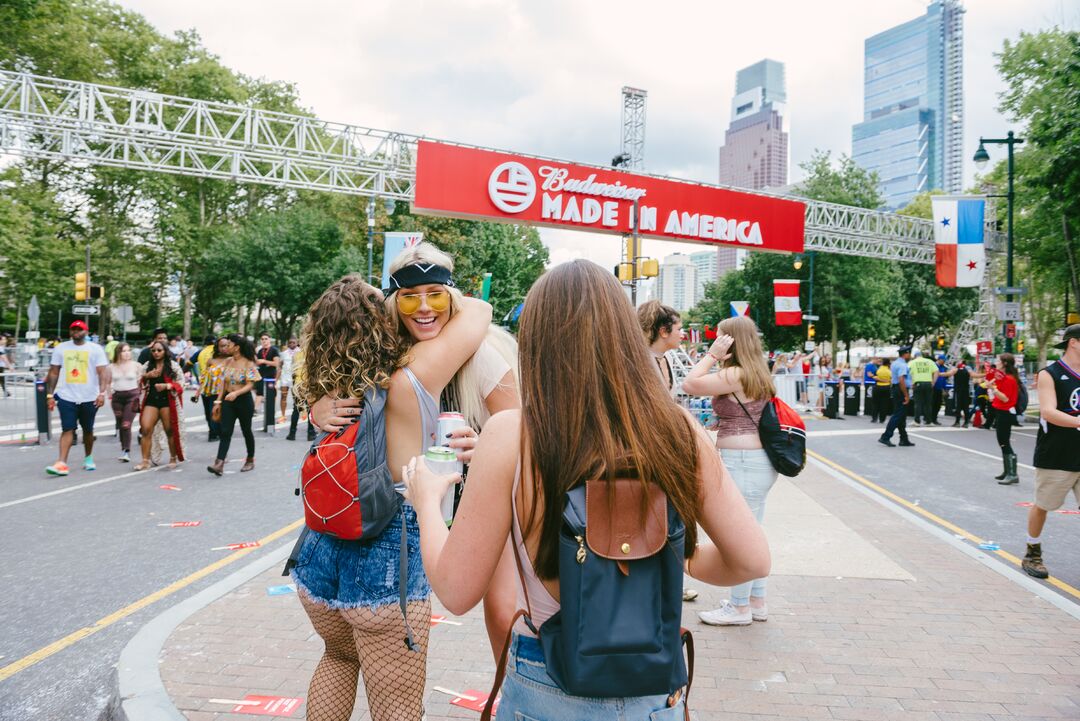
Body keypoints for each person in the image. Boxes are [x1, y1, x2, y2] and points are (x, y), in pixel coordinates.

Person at [404, 260, 769, 720]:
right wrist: (659, 549)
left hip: (545, 685)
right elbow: (751, 561)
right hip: (653, 689)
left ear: (536, 342)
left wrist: (426, 504)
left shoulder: (511, 435)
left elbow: (457, 591)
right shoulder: (678, 429)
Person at [293, 274, 492, 721]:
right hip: (388, 552)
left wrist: (312, 405)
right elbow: (480, 310)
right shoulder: (410, 375)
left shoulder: (329, 391)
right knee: (396, 706)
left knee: (338, 658)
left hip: (319, 548)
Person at [310, 241, 520, 661]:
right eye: (409, 299)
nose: (424, 309)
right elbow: (334, 387)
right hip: (398, 516)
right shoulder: (382, 352)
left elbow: (526, 429)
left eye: (436, 296)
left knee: (504, 612)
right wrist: (318, 407)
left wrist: (485, 446)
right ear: (394, 304)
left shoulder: (482, 355)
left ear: (451, 298)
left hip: (483, 499)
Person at [681, 314, 779, 626]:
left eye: (721, 337)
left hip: (742, 461)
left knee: (738, 537)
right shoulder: (757, 371)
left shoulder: (736, 373)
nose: (716, 341)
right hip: (757, 461)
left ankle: (739, 608)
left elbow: (690, 383)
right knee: (753, 530)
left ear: (731, 341)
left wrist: (711, 356)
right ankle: (755, 601)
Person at [1022, 325, 1080, 579]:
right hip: (1057, 452)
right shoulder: (1051, 374)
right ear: (1074, 343)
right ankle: (1032, 550)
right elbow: (1048, 411)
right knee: (1043, 505)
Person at [45, 321, 109, 475]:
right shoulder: (61, 348)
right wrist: (49, 395)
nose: (76, 332)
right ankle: (61, 463)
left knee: (88, 430)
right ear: (70, 332)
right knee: (67, 428)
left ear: (86, 332)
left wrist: (102, 393)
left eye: (79, 329)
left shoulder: (95, 349)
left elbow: (103, 373)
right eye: (73, 329)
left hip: (90, 397)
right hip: (67, 396)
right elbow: (54, 372)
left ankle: (88, 457)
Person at [207, 334, 259, 475]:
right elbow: (223, 383)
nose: (226, 347)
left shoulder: (248, 363)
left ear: (237, 347)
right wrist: (218, 401)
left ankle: (250, 459)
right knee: (225, 431)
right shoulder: (228, 362)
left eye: (229, 345)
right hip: (228, 401)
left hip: (244, 401)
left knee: (246, 430)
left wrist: (237, 393)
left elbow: (250, 384)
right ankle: (219, 463)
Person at [132, 340, 185, 470]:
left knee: (169, 430)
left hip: (167, 401)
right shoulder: (147, 365)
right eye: (154, 350)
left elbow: (181, 383)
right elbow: (139, 381)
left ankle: (173, 458)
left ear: (165, 351)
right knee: (145, 429)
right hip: (151, 401)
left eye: (159, 350)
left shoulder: (172, 366)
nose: (156, 353)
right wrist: (147, 376)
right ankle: (145, 461)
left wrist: (167, 386)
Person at [986, 352, 1022, 485]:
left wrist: (993, 389)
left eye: (999, 361)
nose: (997, 363)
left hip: (1005, 412)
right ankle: (1007, 471)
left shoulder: (1009, 379)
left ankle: (1012, 473)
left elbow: (1005, 398)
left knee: (1004, 442)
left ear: (1005, 363)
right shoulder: (1004, 378)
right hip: (1001, 411)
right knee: (1002, 442)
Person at [637, 300, 682, 397]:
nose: (682, 335)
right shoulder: (641, 362)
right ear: (664, 332)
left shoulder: (668, 358)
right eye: (679, 329)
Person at [106, 342, 142, 462]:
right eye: (124, 351)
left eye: (128, 350)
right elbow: (107, 382)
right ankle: (123, 448)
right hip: (117, 398)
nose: (127, 353)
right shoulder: (111, 367)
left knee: (126, 424)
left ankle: (126, 451)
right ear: (118, 353)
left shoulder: (136, 365)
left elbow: (142, 382)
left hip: (132, 396)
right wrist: (109, 395)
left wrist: (140, 396)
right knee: (121, 424)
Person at [195, 336, 230, 442]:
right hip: (208, 391)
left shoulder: (232, 360)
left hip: (223, 392)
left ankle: (219, 433)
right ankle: (213, 433)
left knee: (218, 414)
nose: (225, 348)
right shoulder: (211, 360)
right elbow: (204, 376)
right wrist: (198, 392)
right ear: (217, 347)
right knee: (209, 414)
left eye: (227, 346)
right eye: (222, 346)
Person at [879, 347, 915, 448]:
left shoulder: (894, 363)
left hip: (896, 389)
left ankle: (904, 438)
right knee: (898, 414)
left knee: (901, 415)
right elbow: (901, 380)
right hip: (900, 390)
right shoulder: (902, 365)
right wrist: (906, 395)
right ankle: (886, 436)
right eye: (909, 354)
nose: (910, 356)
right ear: (906, 354)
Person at [908, 349, 937, 425]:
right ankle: (929, 421)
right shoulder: (930, 362)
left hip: (918, 383)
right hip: (928, 383)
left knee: (918, 403)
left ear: (915, 356)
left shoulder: (912, 362)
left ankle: (917, 421)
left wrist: (911, 383)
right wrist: (933, 382)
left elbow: (908, 373)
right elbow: (936, 371)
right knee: (928, 403)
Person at [254, 332, 281, 411]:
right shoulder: (260, 351)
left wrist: (264, 361)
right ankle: (255, 409)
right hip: (261, 375)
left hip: (271, 376)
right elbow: (257, 363)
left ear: (269, 340)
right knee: (259, 391)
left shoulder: (274, 350)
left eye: (266, 339)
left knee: (271, 393)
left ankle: (271, 409)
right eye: (262, 339)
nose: (264, 341)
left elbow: (276, 364)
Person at [279, 336, 300, 422]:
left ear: (297, 343)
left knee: (297, 398)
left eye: (293, 342)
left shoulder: (300, 352)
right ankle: (283, 415)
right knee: (283, 396)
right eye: (290, 342)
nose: (291, 344)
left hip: (296, 379)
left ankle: (300, 414)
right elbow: (280, 364)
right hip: (285, 378)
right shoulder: (284, 353)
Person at [951, 360, 973, 427]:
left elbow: (948, 374)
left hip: (958, 390)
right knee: (966, 406)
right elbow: (974, 375)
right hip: (966, 390)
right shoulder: (968, 369)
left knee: (958, 406)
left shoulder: (955, 369)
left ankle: (957, 422)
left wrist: (939, 374)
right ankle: (966, 422)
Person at [873, 358, 893, 423]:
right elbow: (891, 379)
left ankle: (874, 418)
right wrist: (887, 381)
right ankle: (882, 419)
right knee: (884, 404)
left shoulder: (878, 369)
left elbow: (875, 377)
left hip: (878, 387)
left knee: (875, 403)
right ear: (888, 364)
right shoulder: (889, 371)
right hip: (886, 387)